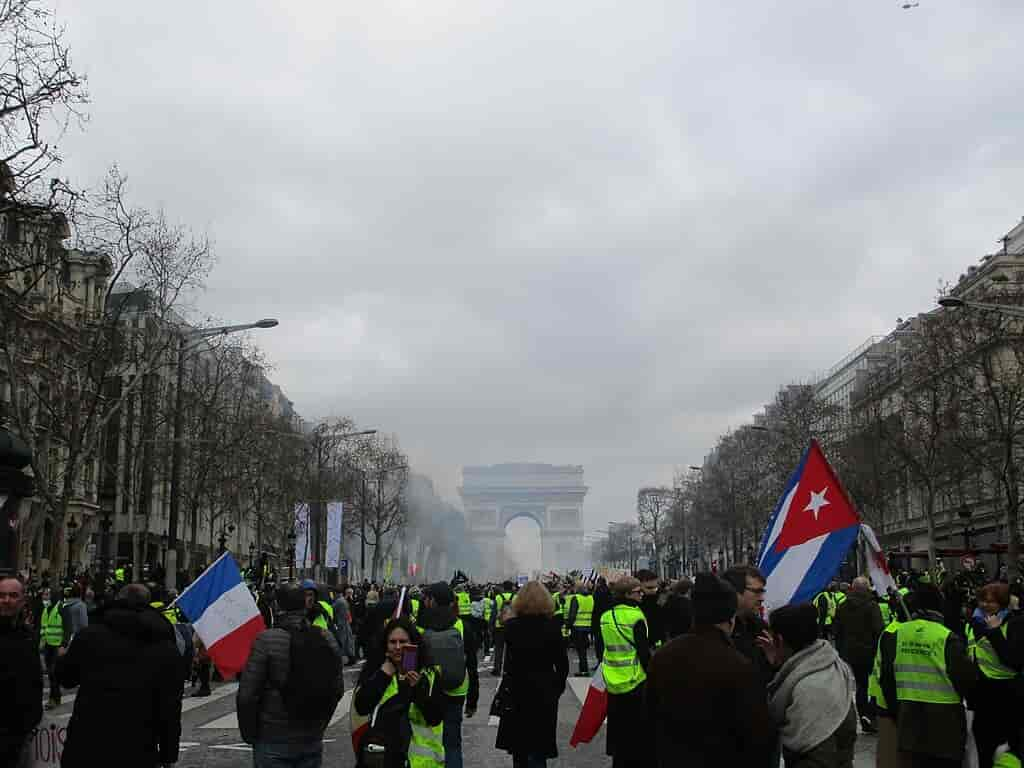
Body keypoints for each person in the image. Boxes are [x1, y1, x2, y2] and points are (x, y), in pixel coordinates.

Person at [646, 572, 776, 768]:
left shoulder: (663, 656)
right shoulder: (738, 665)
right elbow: (756, 735)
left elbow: (649, 716)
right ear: (731, 620)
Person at [57, 583, 182, 768]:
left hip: (88, 742)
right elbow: (170, 707)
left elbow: (66, 679)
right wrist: (168, 754)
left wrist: (62, 658)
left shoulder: (90, 636)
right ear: (147, 604)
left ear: (118, 600)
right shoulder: (166, 646)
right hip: (138, 746)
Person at [237, 584, 345, 768]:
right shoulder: (325, 637)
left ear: (278, 607)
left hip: (272, 737)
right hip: (310, 737)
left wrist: (251, 734)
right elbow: (337, 690)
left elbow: (247, 695)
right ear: (305, 605)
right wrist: (320, 726)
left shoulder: (266, 641)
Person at [878, 583, 977, 768]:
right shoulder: (947, 637)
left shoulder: (897, 635)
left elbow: (887, 679)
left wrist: (897, 712)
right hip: (945, 723)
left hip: (908, 721)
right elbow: (968, 682)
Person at [760, 603, 858, 768]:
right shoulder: (827, 663)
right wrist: (778, 664)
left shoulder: (811, 689)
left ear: (780, 640)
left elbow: (819, 758)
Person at [353, 618, 446, 768]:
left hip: (419, 762)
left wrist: (418, 689)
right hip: (383, 758)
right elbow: (361, 707)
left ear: (413, 644)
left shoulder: (429, 674)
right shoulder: (376, 670)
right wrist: (383, 675)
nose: (397, 647)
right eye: (392, 642)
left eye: (403, 642)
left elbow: (435, 717)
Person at [495, 581, 569, 768]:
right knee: (538, 749)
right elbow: (562, 665)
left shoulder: (511, 628)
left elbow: (509, 664)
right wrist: (556, 689)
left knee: (519, 750)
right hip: (544, 691)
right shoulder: (552, 627)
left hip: (517, 690)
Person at [418, 582, 478, 768]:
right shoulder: (462, 626)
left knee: (424, 740)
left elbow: (410, 661)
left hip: (425, 690)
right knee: (452, 744)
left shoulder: (420, 625)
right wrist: (473, 700)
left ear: (432, 601)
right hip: (456, 690)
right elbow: (472, 666)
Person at [599, 577, 652, 768]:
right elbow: (643, 652)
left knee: (618, 735)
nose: (642, 595)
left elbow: (601, 648)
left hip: (613, 681)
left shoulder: (605, 616)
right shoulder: (636, 616)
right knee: (638, 736)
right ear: (628, 594)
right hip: (636, 680)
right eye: (638, 592)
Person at [965, 582, 1018, 768]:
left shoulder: (1013, 624)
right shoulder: (974, 623)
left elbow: (1014, 660)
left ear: (1002, 603)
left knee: (1005, 750)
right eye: (982, 601)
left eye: (991, 602)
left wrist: (995, 632)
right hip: (980, 696)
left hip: (1007, 697)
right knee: (982, 747)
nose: (985, 605)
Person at [833, 576, 884, 734]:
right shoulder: (872, 606)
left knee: (861, 685)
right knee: (877, 684)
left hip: (851, 652)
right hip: (871, 651)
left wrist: (842, 651)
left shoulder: (842, 606)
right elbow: (879, 629)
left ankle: (863, 714)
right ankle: (870, 713)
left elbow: (837, 631)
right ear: (867, 589)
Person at [0, 575, 42, 767]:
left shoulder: (28, 637)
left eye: (13, 595)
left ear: (23, 600)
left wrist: (31, 720)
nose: (6, 600)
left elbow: (34, 680)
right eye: (1, 595)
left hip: (16, 733)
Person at [722, 565, 774, 690]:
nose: (762, 598)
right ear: (735, 592)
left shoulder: (760, 627)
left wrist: (773, 662)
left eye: (763, 591)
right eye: (757, 592)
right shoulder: (717, 631)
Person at [38, 585, 63, 709]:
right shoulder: (46, 609)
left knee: (53, 673)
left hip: (57, 645)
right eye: (44, 595)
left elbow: (67, 627)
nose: (44, 597)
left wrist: (63, 645)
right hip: (47, 645)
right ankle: (56, 696)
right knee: (50, 673)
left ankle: (53, 699)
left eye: (47, 595)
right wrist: (41, 643)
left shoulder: (61, 608)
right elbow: (43, 628)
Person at [565, 583, 594, 676]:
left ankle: (583, 670)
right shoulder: (591, 598)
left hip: (577, 627)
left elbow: (572, 614)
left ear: (577, 589)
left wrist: (568, 626)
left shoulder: (576, 598)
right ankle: (584, 669)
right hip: (588, 627)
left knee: (580, 650)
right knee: (584, 650)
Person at [634, 569, 665, 648]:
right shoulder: (634, 606)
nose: (654, 591)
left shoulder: (662, 601)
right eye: (650, 588)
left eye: (656, 588)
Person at [491, 581, 515, 676]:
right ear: (511, 587)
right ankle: (511, 669)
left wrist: (491, 625)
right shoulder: (516, 597)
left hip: (499, 626)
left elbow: (493, 613)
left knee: (498, 649)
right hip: (512, 626)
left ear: (503, 588)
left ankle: (497, 669)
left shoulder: (498, 597)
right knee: (512, 649)